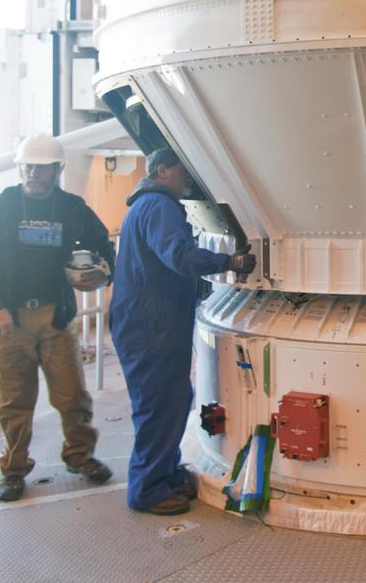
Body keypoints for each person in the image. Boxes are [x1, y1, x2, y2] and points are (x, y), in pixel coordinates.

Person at [0, 133, 116, 502]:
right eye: (28, 167)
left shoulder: (72, 209)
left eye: (42, 168)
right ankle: (14, 469)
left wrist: (101, 273)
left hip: (55, 319)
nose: (33, 173)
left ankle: (80, 456)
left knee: (72, 396)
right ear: (20, 168)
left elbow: (104, 246)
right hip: (7, 321)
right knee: (13, 402)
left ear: (57, 170)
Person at [111, 148, 257, 515]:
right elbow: (179, 255)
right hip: (150, 326)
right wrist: (229, 261)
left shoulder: (148, 205)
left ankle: (163, 472)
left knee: (172, 400)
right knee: (158, 404)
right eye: (181, 172)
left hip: (152, 322)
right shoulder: (158, 206)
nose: (187, 179)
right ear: (162, 170)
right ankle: (146, 489)